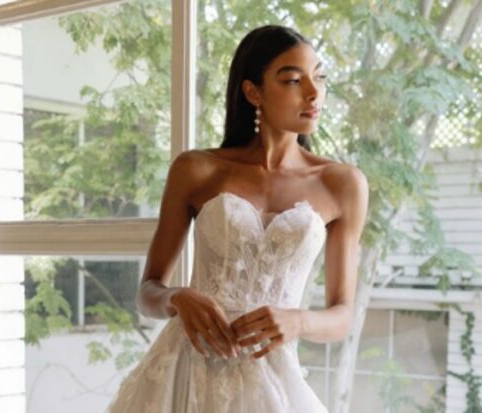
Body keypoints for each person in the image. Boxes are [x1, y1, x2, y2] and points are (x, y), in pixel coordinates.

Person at [107, 24, 369, 413]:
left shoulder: (342, 183)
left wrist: (297, 321)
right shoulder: (196, 169)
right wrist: (177, 298)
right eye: (294, 80)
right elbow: (148, 292)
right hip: (182, 377)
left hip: (271, 382)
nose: (314, 92)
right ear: (253, 92)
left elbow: (342, 315)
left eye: (320, 78)